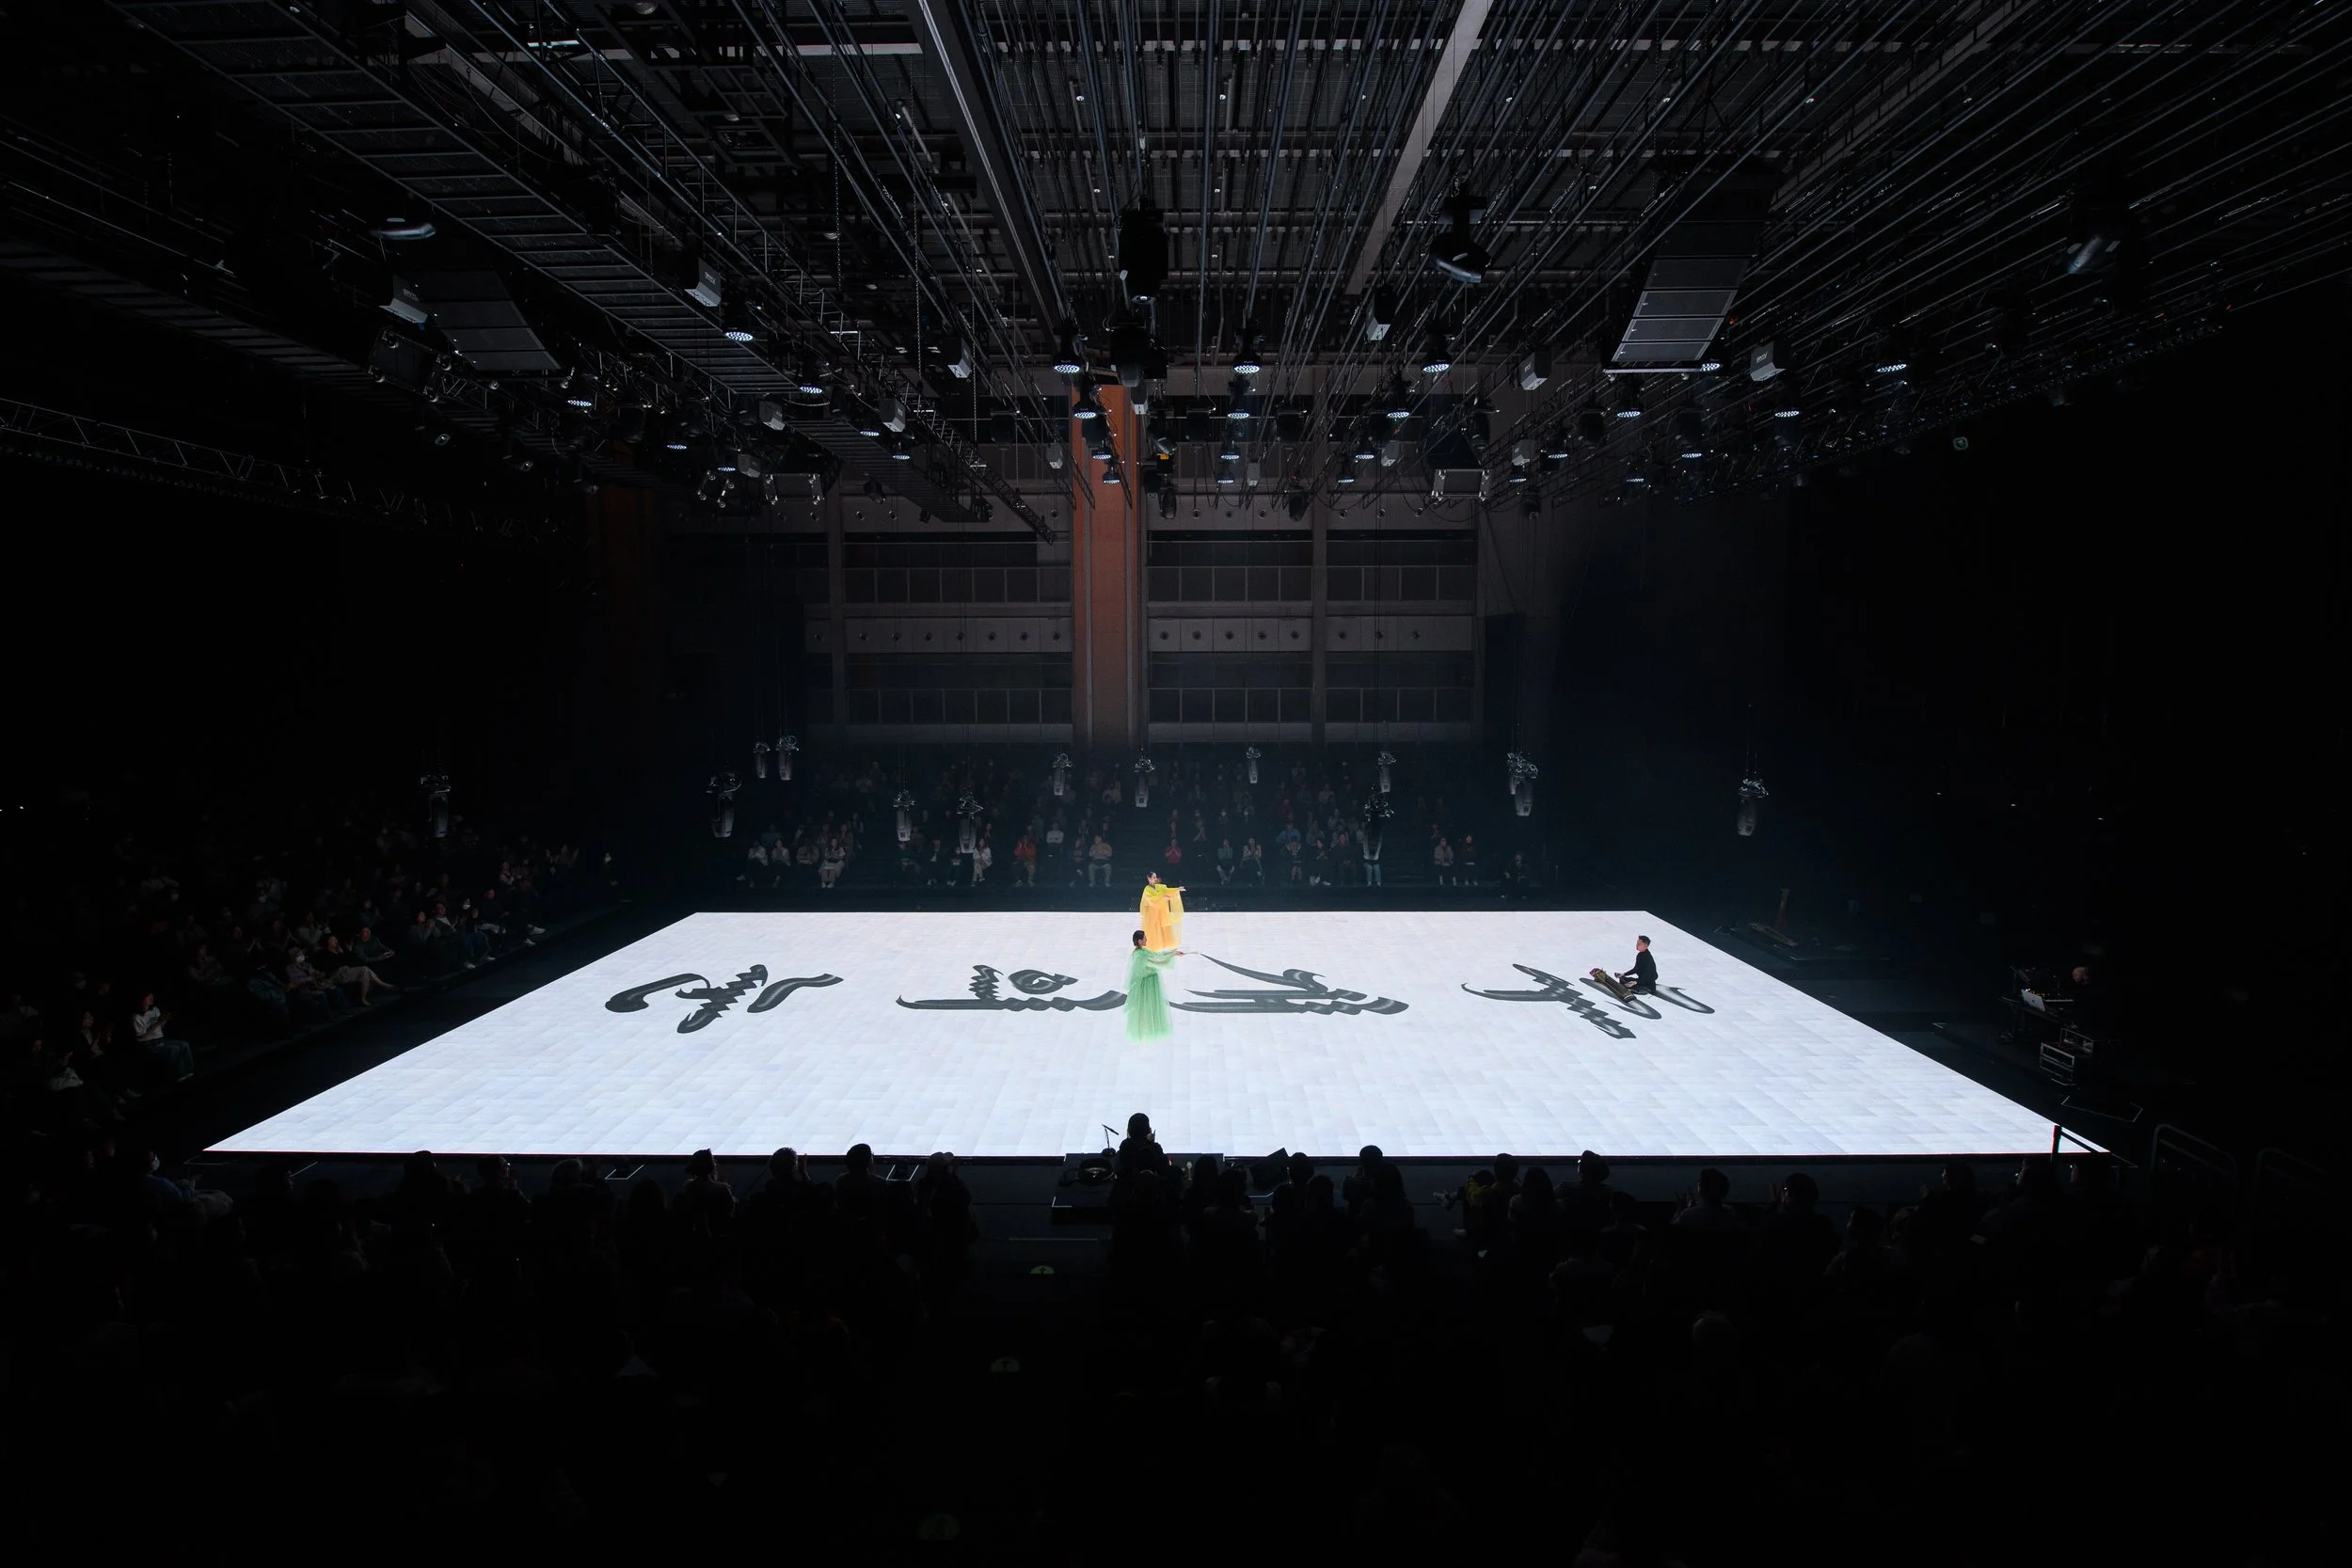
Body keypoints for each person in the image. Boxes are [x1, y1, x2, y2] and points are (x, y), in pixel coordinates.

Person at [1124, 928, 1183, 1043]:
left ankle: (1145, 1031)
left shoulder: (1139, 952)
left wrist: (1172, 952)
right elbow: (1157, 959)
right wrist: (1172, 954)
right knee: (1148, 1007)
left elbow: (1156, 955)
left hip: (1147, 982)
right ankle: (1147, 1031)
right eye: (1145, 938)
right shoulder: (1141, 956)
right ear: (1140, 941)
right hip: (1147, 985)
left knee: (1145, 1008)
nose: (1147, 939)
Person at [1139, 871, 1185, 952]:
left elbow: (1168, 890)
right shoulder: (1147, 889)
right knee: (1154, 930)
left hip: (1161, 912)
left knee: (1163, 928)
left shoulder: (1159, 887)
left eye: (1156, 877)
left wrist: (1177, 889)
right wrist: (1162, 898)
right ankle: (1152, 948)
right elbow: (1150, 900)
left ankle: (1165, 945)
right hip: (1152, 914)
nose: (1155, 879)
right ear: (1149, 879)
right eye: (1153, 877)